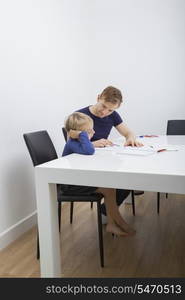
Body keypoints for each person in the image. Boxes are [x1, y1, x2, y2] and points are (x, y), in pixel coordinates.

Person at [61, 112, 135, 236]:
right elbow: (89, 151)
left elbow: (88, 149)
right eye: (89, 131)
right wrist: (83, 135)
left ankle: (112, 224)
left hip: (79, 180)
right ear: (78, 134)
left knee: (110, 187)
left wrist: (83, 135)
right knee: (108, 189)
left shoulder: (78, 143)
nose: (94, 133)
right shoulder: (72, 144)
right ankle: (120, 222)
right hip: (70, 185)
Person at [77, 86, 143, 223]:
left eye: (110, 110)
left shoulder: (112, 115)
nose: (105, 112)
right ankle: (108, 214)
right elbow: (69, 145)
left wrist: (130, 138)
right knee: (123, 179)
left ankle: (105, 212)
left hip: (102, 161)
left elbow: (128, 132)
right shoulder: (80, 116)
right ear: (98, 97)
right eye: (103, 106)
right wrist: (93, 144)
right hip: (84, 164)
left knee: (129, 176)